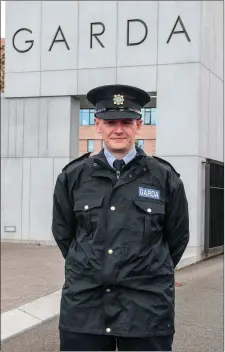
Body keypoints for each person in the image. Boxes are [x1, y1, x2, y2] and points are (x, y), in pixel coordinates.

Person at [52, 84, 189, 351]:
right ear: (97, 125)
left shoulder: (164, 178)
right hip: (86, 306)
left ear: (138, 125)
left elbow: (177, 237)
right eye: (110, 121)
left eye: (126, 121)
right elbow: (64, 234)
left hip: (146, 307)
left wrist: (147, 271)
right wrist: (90, 265)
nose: (118, 129)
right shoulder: (73, 177)